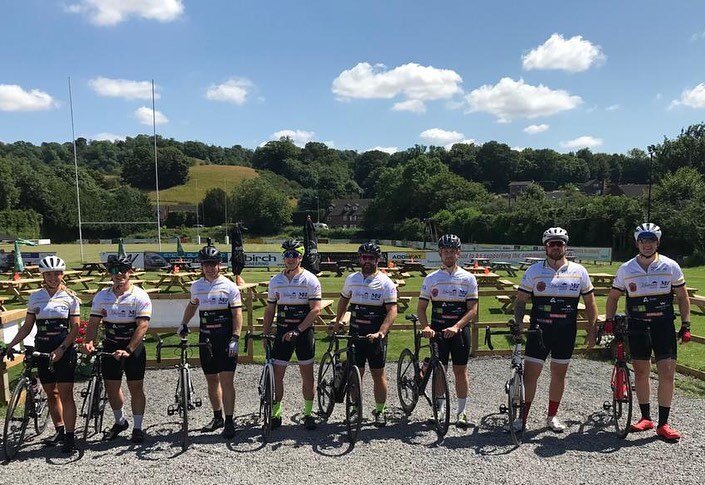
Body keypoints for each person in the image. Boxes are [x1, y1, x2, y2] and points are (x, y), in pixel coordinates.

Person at [605, 223, 691, 441]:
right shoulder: (626, 269)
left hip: (663, 326)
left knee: (667, 374)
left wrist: (686, 324)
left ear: (657, 243)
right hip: (637, 326)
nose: (647, 244)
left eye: (651, 240)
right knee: (642, 373)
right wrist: (608, 320)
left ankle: (664, 423)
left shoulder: (670, 266)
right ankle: (646, 418)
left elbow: (682, 296)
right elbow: (614, 297)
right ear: (637, 243)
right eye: (643, 241)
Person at [514, 227, 598, 433]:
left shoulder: (579, 271)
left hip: (565, 332)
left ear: (566, 246)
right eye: (552, 243)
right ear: (546, 247)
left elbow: (590, 302)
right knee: (531, 375)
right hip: (539, 331)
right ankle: (522, 419)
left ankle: (551, 417)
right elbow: (520, 301)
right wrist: (518, 324)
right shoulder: (533, 271)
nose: (556, 247)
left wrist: (592, 330)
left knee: (559, 375)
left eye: (559, 243)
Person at [2, 256, 80, 453]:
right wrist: (10, 345)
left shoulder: (70, 298)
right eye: (49, 274)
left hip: (63, 347)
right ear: (43, 276)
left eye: (57, 273)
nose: (53, 277)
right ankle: (60, 431)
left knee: (65, 394)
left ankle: (70, 438)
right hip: (42, 347)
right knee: (51, 394)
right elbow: (28, 326)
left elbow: (75, 328)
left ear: (63, 274)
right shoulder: (35, 296)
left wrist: (62, 349)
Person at [84, 255, 152, 444]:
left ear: (130, 272)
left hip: (133, 347)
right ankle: (120, 421)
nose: (119, 274)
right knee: (112, 387)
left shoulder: (139, 296)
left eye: (123, 270)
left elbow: (143, 326)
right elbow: (93, 322)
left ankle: (138, 427)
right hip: (111, 345)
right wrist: (89, 341)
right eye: (115, 270)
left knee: (136, 387)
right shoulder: (102, 296)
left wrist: (129, 350)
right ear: (110, 274)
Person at [179, 241, 243, 440]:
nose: (209, 267)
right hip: (206, 338)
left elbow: (237, 314)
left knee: (226, 380)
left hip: (225, 339)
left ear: (219, 265)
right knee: (211, 380)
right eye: (205, 263)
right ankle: (217, 417)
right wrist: (184, 323)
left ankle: (230, 420)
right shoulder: (196, 286)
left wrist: (235, 337)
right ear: (201, 266)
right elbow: (192, 306)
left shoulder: (230, 286)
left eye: (212, 263)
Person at [332, 242, 397, 427]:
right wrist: (338, 321)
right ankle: (354, 408)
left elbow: (392, 310)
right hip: (356, 333)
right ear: (360, 259)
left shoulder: (386, 282)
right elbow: (343, 301)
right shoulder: (352, 278)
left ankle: (380, 410)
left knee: (378, 374)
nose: (367, 261)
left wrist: (381, 332)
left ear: (378, 260)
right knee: (355, 374)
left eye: (371, 258)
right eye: (364, 257)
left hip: (376, 336)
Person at [417, 234, 478, 428]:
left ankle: (462, 412)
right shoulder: (431, 278)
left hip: (459, 332)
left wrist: (457, 326)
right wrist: (426, 326)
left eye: (452, 251)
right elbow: (421, 308)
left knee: (460, 371)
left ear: (458, 253)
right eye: (445, 252)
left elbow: (473, 310)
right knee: (439, 372)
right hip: (438, 332)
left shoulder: (468, 278)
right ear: (440, 253)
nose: (449, 255)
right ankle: (439, 410)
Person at [262, 239, 322, 431]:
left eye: (294, 255)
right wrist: (265, 333)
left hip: (303, 333)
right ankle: (276, 413)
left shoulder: (310, 280)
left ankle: (308, 413)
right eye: (287, 255)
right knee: (278, 375)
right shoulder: (275, 281)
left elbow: (316, 310)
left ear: (300, 257)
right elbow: (270, 310)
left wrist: (298, 330)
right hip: (282, 332)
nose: (290, 258)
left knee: (308, 376)